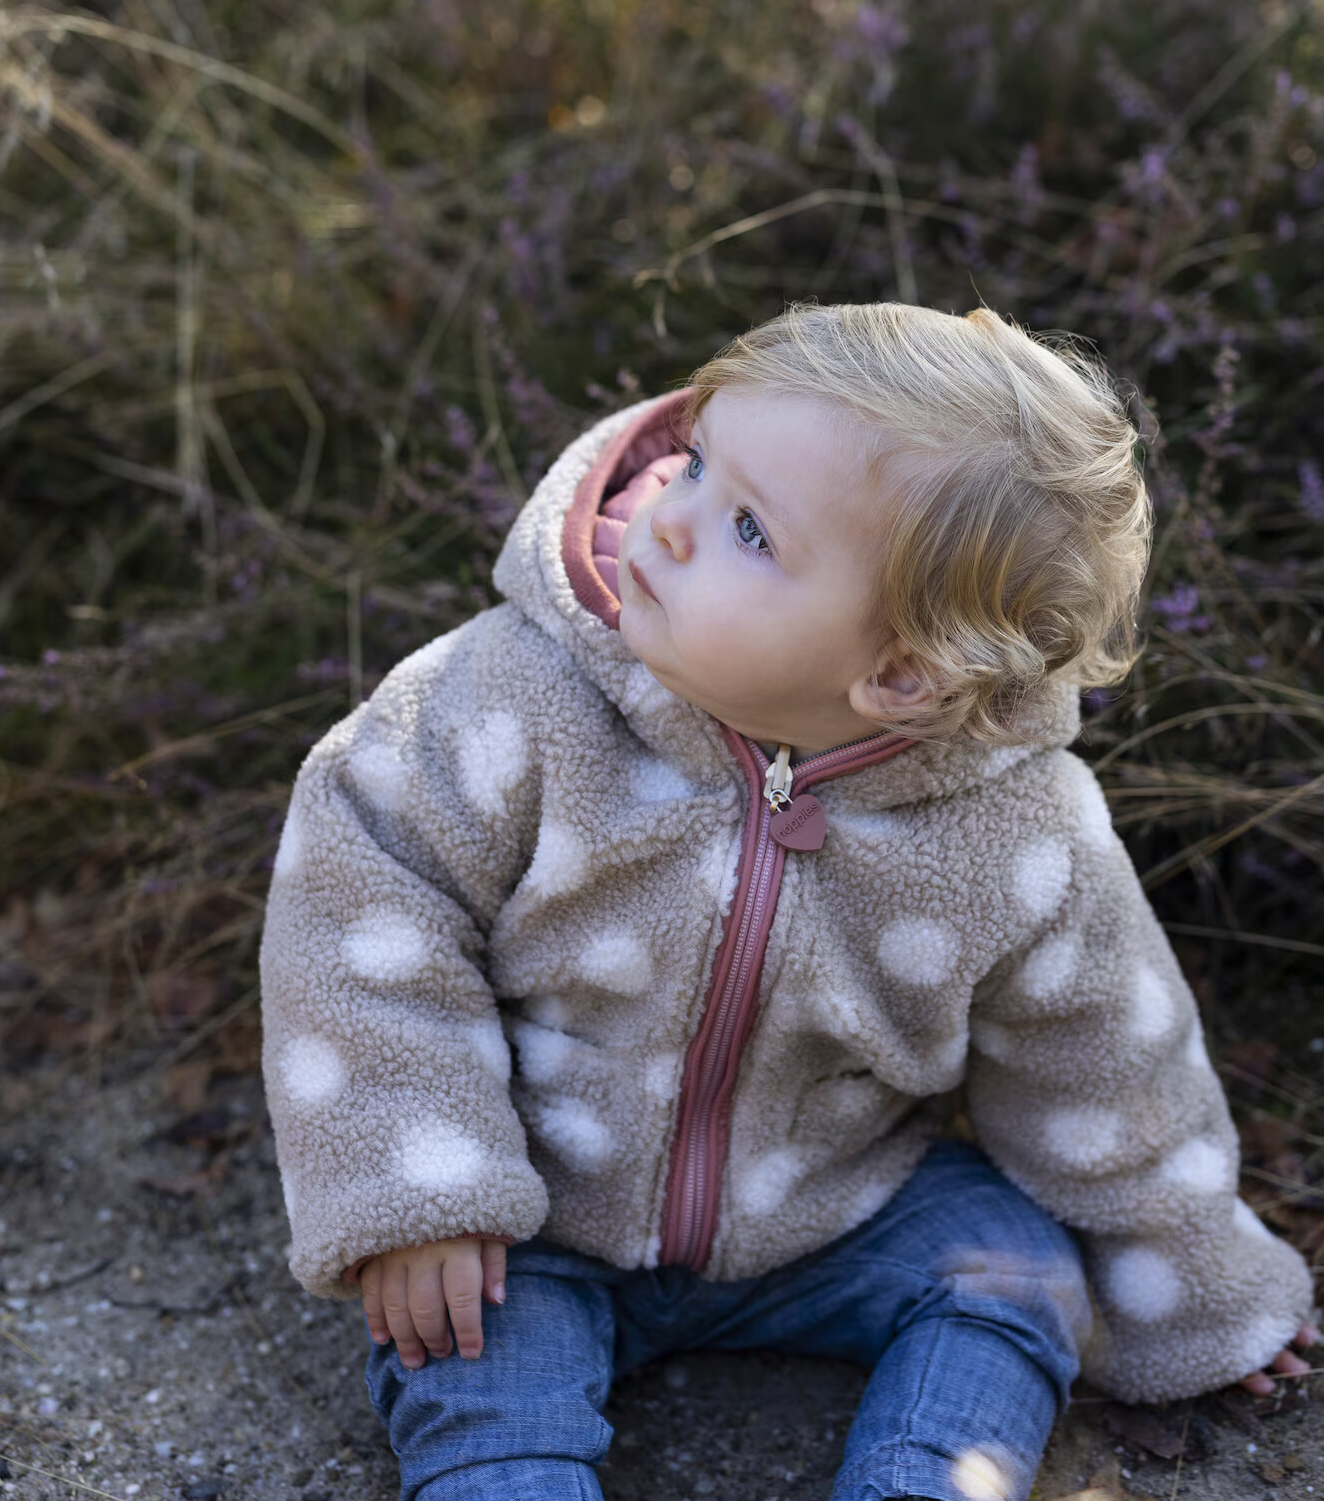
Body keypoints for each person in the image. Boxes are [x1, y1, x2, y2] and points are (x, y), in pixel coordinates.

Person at [261, 302, 1315, 1501]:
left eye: (749, 528)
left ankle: (922, 1475)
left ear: (901, 673)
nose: (666, 519)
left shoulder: (1016, 832)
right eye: (697, 464)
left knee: (1020, 1274)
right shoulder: (504, 698)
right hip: (533, 1214)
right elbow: (361, 912)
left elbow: (1108, 1070)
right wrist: (419, 1196)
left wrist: (1201, 1288)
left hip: (833, 1207)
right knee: (473, 1361)